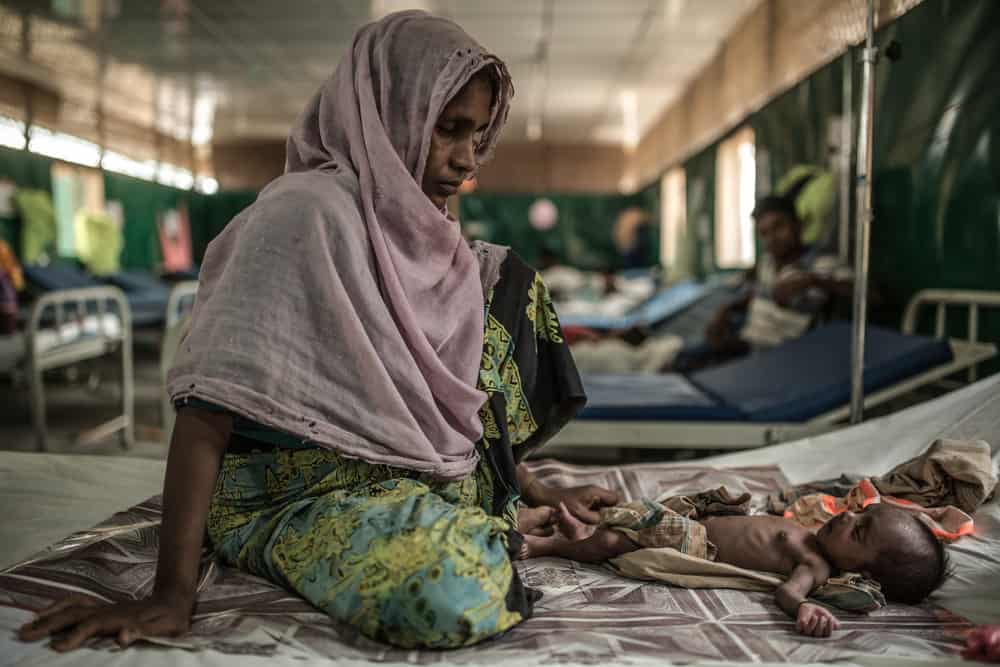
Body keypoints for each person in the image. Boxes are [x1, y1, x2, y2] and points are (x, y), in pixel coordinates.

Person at [18, 11, 619, 652]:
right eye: (448, 130)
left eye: (478, 137)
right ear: (393, 116)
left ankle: (509, 509)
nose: (466, 161)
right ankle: (506, 530)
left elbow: (455, 406)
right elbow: (206, 408)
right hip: (296, 492)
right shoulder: (302, 215)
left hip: (413, 478)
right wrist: (170, 594)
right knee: (453, 587)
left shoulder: (431, 237)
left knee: (508, 285)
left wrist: (536, 485)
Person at [524, 502, 948, 638]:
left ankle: (546, 545)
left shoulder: (814, 563)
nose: (848, 519)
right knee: (624, 523)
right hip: (691, 526)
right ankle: (583, 532)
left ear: (861, 572)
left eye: (858, 535)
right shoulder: (815, 537)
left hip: (694, 545)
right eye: (860, 513)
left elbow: (788, 592)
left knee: (614, 543)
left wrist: (802, 608)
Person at [672, 192, 854, 372]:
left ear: (799, 224)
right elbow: (757, 293)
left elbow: (868, 296)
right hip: (745, 344)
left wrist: (814, 281)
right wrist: (727, 310)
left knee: (686, 370)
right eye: (764, 233)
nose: (772, 238)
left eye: (779, 227)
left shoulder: (822, 264)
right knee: (676, 359)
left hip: (777, 357)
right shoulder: (767, 263)